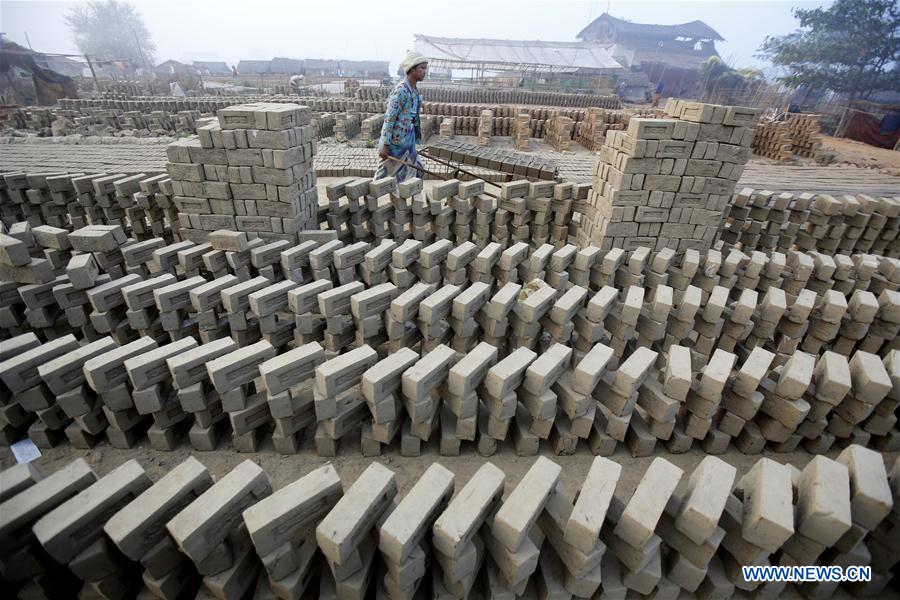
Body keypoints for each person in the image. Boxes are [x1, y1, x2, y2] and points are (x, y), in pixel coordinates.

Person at [374, 50, 428, 183]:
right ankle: (371, 191)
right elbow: (389, 119)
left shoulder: (415, 91)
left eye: (425, 68)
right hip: (395, 144)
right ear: (412, 69)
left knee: (417, 170)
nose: (425, 71)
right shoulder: (400, 91)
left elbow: (413, 118)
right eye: (422, 68)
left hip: (408, 141)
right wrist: (385, 145)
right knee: (384, 174)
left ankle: (408, 193)